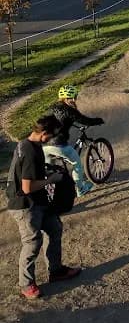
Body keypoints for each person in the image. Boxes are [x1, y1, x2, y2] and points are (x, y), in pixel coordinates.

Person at [6, 115, 82, 299]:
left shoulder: (27, 143)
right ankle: (26, 284)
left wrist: (47, 170)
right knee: (32, 242)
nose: (53, 139)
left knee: (54, 228)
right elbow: (27, 187)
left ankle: (55, 271)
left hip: (38, 201)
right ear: (44, 133)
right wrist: (51, 180)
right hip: (24, 205)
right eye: (52, 135)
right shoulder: (31, 152)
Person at [45, 85, 104, 197]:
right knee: (77, 164)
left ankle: (48, 191)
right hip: (58, 145)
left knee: (48, 169)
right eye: (73, 97)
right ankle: (80, 189)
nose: (75, 99)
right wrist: (98, 120)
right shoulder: (70, 110)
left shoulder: (52, 108)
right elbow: (85, 120)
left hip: (45, 145)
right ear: (68, 98)